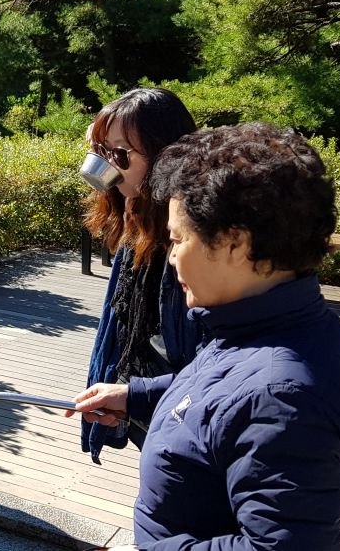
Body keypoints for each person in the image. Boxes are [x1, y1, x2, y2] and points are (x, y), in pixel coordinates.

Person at [70, 123, 340, 551]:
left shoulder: (283, 398)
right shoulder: (266, 323)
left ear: (234, 243)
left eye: (177, 240)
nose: (171, 259)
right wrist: (135, 395)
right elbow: (222, 388)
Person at [80, 88, 205, 464]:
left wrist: (136, 396)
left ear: (168, 155)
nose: (108, 166)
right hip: (151, 403)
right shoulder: (136, 213)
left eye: (120, 155)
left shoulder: (196, 240)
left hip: (190, 419)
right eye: (102, 152)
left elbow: (216, 366)